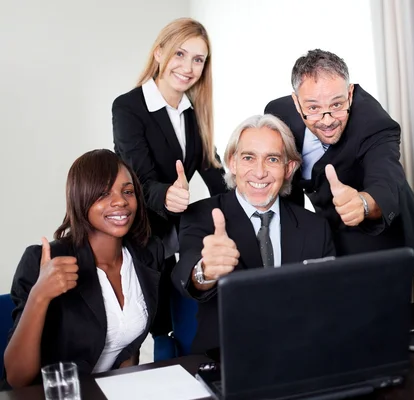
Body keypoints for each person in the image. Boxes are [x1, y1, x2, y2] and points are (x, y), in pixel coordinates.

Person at [172, 114, 336, 354]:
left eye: (272, 159)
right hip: (227, 357)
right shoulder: (201, 215)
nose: (259, 173)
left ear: (288, 168)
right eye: (249, 158)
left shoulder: (315, 228)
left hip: (302, 354)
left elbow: (330, 302)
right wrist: (205, 271)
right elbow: (185, 271)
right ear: (233, 163)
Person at [3, 150, 163, 388]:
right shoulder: (42, 261)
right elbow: (17, 378)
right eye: (104, 193)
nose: (120, 201)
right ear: (81, 198)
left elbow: (129, 349)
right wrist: (39, 296)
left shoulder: (147, 255)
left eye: (127, 192)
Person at [112, 18, 227, 338]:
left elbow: (215, 173)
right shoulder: (128, 107)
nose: (188, 67)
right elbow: (141, 181)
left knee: (191, 316)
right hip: (144, 234)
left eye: (198, 59)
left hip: (181, 235)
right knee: (159, 330)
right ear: (159, 53)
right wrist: (167, 195)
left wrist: (247, 193)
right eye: (180, 54)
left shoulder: (195, 111)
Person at [264, 49, 414, 266]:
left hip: (385, 241)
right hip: (331, 234)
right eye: (313, 108)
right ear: (296, 102)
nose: (327, 120)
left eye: (336, 105)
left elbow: (386, 182)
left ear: (350, 94)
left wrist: (363, 203)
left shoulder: (375, 124)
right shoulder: (279, 114)